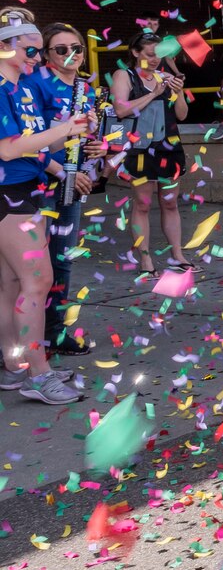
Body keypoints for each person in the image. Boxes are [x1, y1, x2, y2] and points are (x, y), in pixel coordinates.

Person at [0, 9, 88, 404]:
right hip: (10, 194)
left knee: (14, 283)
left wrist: (76, 133)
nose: (38, 58)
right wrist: (66, 128)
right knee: (37, 281)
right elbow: (10, 148)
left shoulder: (20, 87)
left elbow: (37, 147)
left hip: (26, 188)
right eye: (30, 49)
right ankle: (39, 373)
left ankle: (15, 366)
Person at [33, 23, 101, 355]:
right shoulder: (35, 85)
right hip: (35, 183)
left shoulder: (85, 89)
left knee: (62, 260)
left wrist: (99, 147)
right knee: (28, 266)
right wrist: (60, 171)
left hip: (72, 182)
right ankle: (18, 339)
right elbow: (27, 142)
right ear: (46, 54)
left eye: (77, 47)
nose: (72, 54)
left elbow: (84, 136)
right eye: (62, 49)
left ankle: (55, 334)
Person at [109, 30, 190, 276]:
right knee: (142, 204)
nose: (155, 60)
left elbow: (182, 114)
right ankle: (145, 260)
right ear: (135, 52)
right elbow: (121, 110)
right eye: (150, 54)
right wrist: (154, 93)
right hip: (140, 149)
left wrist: (179, 92)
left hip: (168, 145)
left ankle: (177, 255)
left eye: (159, 55)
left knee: (170, 203)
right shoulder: (124, 75)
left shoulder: (165, 76)